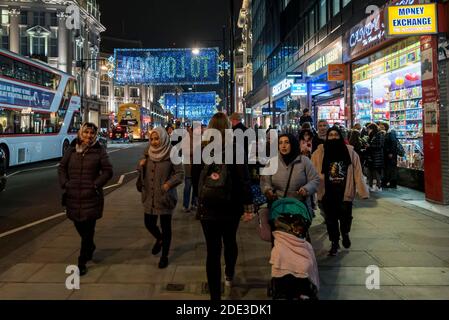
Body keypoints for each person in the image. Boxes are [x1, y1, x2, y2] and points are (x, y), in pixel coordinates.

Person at [192, 112, 254, 300]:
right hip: (231, 205)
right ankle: (229, 275)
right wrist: (247, 204)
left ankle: (215, 297)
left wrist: (200, 199)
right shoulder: (235, 148)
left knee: (212, 250)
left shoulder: (200, 149)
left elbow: (195, 179)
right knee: (230, 241)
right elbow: (244, 179)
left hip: (208, 206)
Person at [58, 122, 113, 276]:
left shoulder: (99, 150)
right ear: (80, 134)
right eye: (86, 133)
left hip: (91, 197)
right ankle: (90, 246)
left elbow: (108, 171)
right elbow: (62, 167)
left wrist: (95, 185)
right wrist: (65, 183)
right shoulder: (71, 150)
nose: (89, 136)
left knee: (88, 230)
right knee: (78, 225)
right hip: (73, 196)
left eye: (92, 133)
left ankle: (81, 261)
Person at [311, 127, 369, 256]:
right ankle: (335, 243)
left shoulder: (350, 152)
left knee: (345, 218)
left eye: (336, 135)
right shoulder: (319, 153)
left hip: (345, 192)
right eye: (330, 135)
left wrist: (362, 191)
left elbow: (358, 172)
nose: (333, 137)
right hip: (327, 192)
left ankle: (345, 233)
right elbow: (311, 172)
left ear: (340, 136)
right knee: (331, 220)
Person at [138, 127, 184, 269]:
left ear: (163, 138)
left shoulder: (172, 152)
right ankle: (159, 239)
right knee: (149, 223)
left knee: (166, 227)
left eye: (157, 139)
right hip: (149, 196)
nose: (154, 142)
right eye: (152, 139)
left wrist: (168, 185)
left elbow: (180, 173)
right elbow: (142, 173)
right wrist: (140, 166)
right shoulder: (147, 152)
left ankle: (164, 256)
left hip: (165, 196)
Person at [261, 134, 320, 242]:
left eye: (286, 142)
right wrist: (268, 190)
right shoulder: (272, 162)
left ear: (292, 144)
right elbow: (265, 181)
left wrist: (306, 189)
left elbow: (315, 179)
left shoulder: (304, 161)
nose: (283, 146)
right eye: (280, 143)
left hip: (299, 209)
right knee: (279, 242)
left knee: (299, 241)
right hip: (279, 209)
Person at [365, 123, 384, 192]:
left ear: (372, 129)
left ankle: (379, 186)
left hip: (376, 156)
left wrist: (369, 146)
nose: (368, 130)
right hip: (371, 156)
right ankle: (370, 186)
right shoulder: (371, 135)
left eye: (368, 129)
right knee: (370, 171)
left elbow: (380, 146)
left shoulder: (379, 135)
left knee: (376, 172)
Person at [382, 123, 399, 189]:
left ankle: (392, 183)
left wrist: (391, 152)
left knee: (391, 169)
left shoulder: (391, 133)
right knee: (388, 168)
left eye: (382, 127)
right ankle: (387, 182)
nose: (381, 128)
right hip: (387, 154)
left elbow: (393, 143)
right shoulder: (386, 133)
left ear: (385, 127)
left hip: (391, 155)